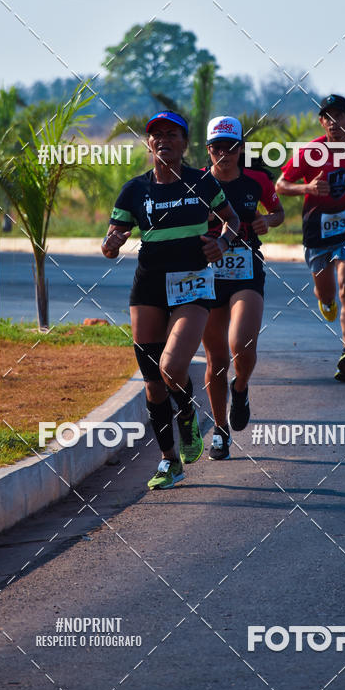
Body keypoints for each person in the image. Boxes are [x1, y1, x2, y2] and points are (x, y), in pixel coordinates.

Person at [102, 111, 240, 488]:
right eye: (156, 135)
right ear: (149, 144)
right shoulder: (134, 190)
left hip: (193, 284)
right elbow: (112, 241)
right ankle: (169, 461)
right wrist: (110, 244)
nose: (163, 140)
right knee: (151, 382)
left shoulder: (202, 183)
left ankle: (187, 414)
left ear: (185, 143)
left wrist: (222, 243)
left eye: (171, 134)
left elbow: (233, 221)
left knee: (172, 366)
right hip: (147, 287)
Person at [202, 116, 285, 459]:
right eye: (217, 147)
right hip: (206, 274)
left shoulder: (258, 180)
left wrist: (268, 220)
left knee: (241, 344)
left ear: (241, 149)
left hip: (247, 269)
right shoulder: (197, 184)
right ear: (208, 150)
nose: (224, 153)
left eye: (231, 147)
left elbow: (278, 212)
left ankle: (242, 387)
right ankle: (220, 431)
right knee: (216, 357)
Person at [275, 95, 345, 382]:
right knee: (328, 294)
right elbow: (280, 185)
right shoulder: (309, 152)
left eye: (339, 116)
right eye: (328, 117)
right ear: (322, 122)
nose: (333, 122)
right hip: (317, 235)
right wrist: (308, 188)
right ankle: (324, 300)